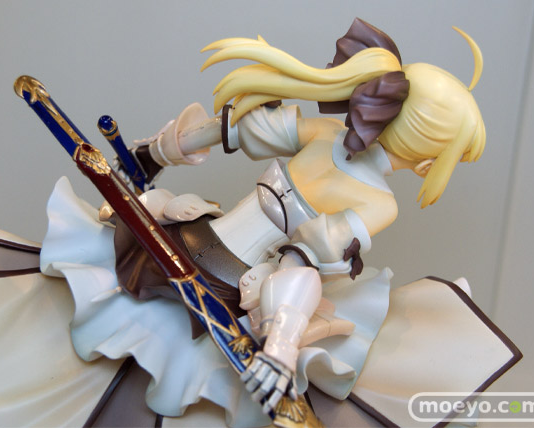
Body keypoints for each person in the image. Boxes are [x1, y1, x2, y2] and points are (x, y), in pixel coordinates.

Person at [107, 17, 485, 415]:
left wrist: (154, 152)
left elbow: (235, 128)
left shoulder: (324, 132)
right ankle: (280, 353)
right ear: (427, 163)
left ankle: (277, 345)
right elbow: (303, 254)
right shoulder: (379, 202)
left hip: (188, 239)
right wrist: (282, 337)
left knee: (169, 207)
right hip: (229, 280)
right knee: (309, 277)